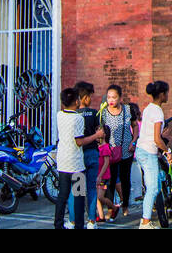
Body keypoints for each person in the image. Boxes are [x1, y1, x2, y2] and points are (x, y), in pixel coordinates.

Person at [55, 86, 103, 230]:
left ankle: (58, 224)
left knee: (63, 195)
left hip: (62, 162)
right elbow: (79, 141)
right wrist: (96, 136)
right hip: (76, 164)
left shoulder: (59, 115)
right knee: (79, 196)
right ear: (76, 101)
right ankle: (80, 225)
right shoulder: (77, 118)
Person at [135, 80, 171, 229]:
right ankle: (145, 223)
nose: (167, 95)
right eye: (167, 93)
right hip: (149, 153)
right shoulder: (157, 112)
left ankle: (146, 219)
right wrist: (167, 151)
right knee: (153, 188)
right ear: (162, 94)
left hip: (141, 150)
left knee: (153, 186)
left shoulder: (149, 108)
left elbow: (151, 133)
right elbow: (157, 139)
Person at [98, 84, 137, 219]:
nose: (111, 100)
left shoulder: (127, 110)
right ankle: (111, 208)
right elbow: (100, 130)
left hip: (126, 149)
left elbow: (135, 126)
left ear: (120, 98)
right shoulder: (103, 112)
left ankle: (125, 204)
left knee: (125, 179)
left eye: (114, 97)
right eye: (109, 97)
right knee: (111, 180)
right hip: (110, 152)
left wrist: (134, 141)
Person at [75, 81, 104, 228]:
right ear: (85, 98)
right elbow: (100, 135)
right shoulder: (94, 113)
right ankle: (92, 220)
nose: (91, 99)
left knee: (78, 189)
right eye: (90, 96)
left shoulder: (73, 115)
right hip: (92, 153)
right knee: (92, 188)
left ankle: (75, 220)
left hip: (78, 156)